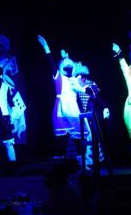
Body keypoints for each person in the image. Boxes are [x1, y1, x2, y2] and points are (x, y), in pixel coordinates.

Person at [37, 35, 91, 163]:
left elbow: (84, 89)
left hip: (74, 110)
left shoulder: (75, 80)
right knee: (62, 140)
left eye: (70, 66)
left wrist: (90, 92)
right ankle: (61, 165)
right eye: (65, 65)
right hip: (61, 108)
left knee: (79, 138)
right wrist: (46, 48)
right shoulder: (58, 77)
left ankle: (81, 164)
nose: (68, 66)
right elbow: (51, 63)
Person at [74, 62, 110, 166]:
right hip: (77, 115)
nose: (83, 78)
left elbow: (98, 97)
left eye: (85, 75)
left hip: (90, 114)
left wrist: (105, 107)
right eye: (81, 76)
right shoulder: (73, 85)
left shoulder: (91, 84)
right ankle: (81, 162)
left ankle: (93, 160)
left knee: (93, 136)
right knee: (78, 138)